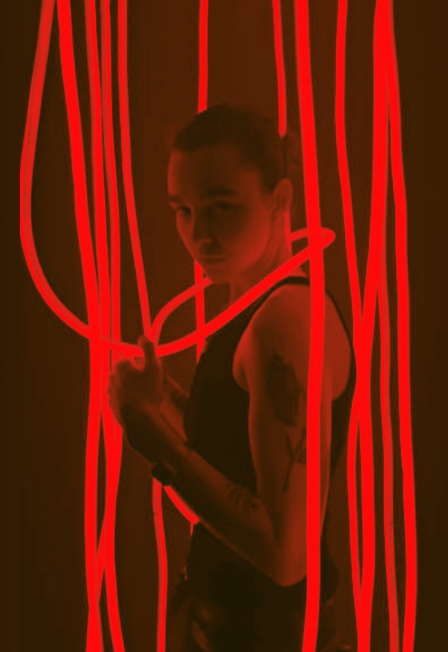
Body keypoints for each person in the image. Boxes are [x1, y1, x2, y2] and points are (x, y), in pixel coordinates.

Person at [107, 102, 355, 651]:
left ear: (280, 200)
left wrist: (148, 433)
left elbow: (285, 556)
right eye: (183, 210)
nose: (200, 234)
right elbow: (235, 449)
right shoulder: (256, 308)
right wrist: (162, 399)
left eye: (223, 207)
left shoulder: (284, 324)